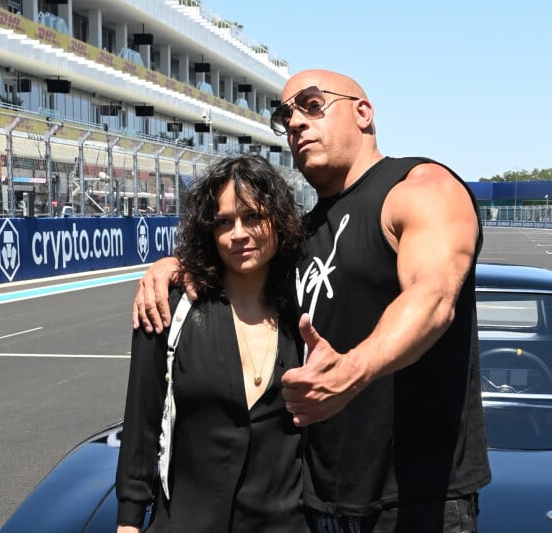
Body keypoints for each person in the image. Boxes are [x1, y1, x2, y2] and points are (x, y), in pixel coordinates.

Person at [133, 70, 491, 532]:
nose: (296, 123)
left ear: (363, 112)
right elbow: (239, 258)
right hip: (319, 504)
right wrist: (177, 266)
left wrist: (352, 371)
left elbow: (434, 294)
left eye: (312, 105)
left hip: (417, 501)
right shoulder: (302, 234)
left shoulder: (419, 188)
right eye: (286, 116)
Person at [116, 155, 310, 532]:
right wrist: (128, 522)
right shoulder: (170, 307)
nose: (238, 233)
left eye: (253, 216)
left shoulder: (305, 310)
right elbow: (142, 420)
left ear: (280, 220)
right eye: (224, 221)